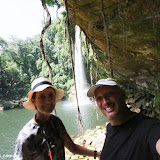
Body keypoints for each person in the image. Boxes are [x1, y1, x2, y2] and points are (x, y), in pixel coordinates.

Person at [14, 77, 100, 160]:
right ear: (34, 101)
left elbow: (72, 148)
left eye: (51, 95)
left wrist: (98, 154)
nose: (48, 101)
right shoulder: (26, 136)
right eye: (42, 97)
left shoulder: (56, 122)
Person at [87, 78, 160, 160]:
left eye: (110, 94)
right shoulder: (110, 128)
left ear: (122, 94)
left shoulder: (150, 127)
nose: (105, 102)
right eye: (99, 98)